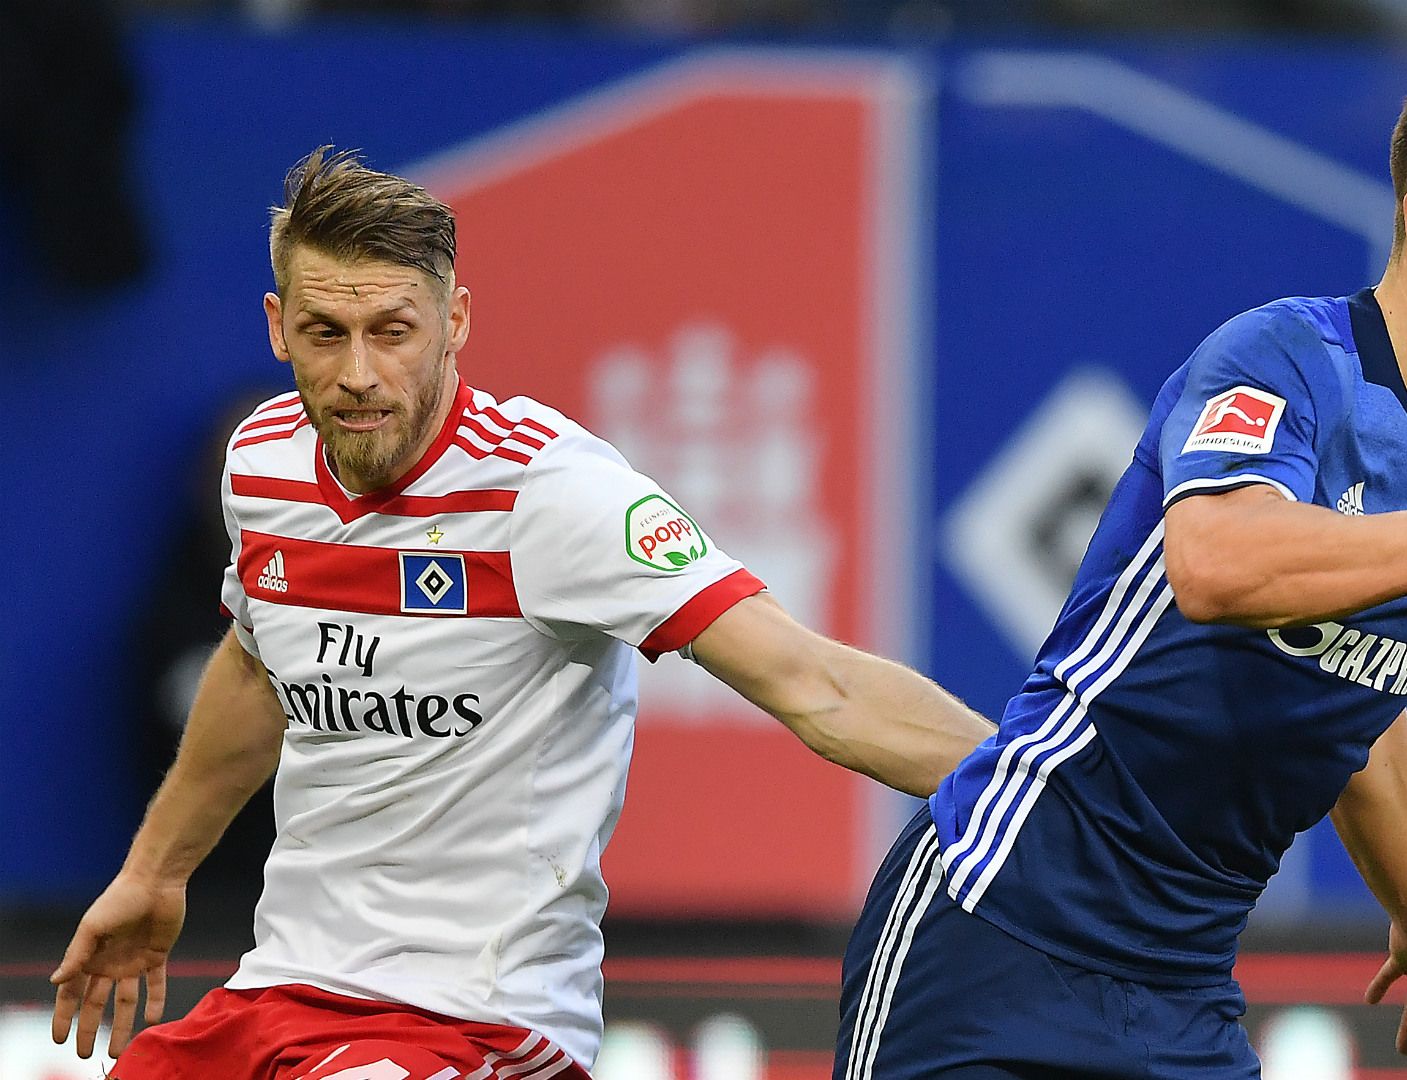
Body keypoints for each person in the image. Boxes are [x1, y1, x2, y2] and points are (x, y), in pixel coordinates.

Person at [49, 146, 996, 1080]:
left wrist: (1058, 797)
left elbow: (814, 683)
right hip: (280, 994)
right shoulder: (263, 463)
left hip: (476, 1023)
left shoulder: (549, 491)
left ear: (456, 320)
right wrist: (155, 873)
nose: (360, 375)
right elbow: (260, 669)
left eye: (394, 330)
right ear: (276, 326)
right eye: (325, 333)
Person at [838, 54, 1407, 1078]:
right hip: (998, 935)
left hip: (1182, 989)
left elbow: (1356, 703)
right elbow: (1219, 564)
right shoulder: (1285, 360)